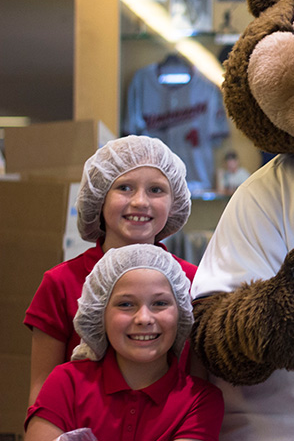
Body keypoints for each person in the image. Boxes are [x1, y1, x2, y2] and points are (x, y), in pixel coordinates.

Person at [24, 135, 196, 406]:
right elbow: (41, 389)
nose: (140, 201)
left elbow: (198, 380)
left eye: (156, 190)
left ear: (174, 201)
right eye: (125, 187)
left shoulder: (193, 281)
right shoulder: (60, 282)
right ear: (99, 198)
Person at [25, 244, 224, 441]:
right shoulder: (66, 383)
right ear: (100, 313)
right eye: (126, 304)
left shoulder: (199, 402)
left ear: (181, 313)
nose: (144, 318)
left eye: (160, 303)